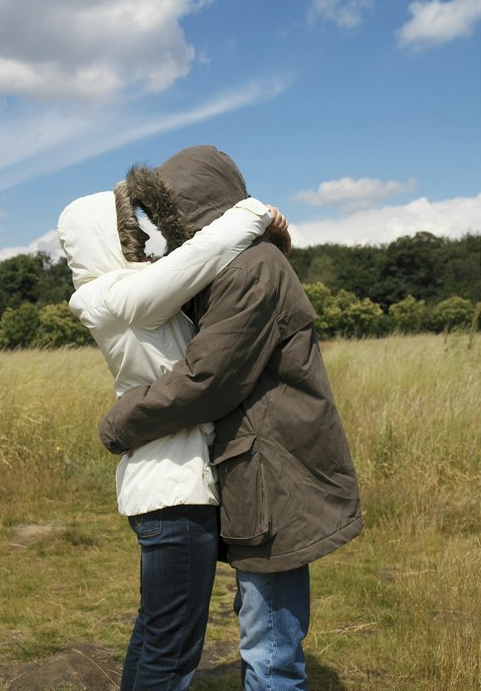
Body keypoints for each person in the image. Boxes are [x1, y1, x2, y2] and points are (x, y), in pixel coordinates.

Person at [99, 145, 364, 691]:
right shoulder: (236, 265)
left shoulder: (250, 267)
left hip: (276, 473)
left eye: (170, 219)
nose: (168, 237)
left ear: (193, 212)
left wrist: (119, 424)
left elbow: (206, 380)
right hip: (262, 470)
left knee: (270, 652)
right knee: (264, 632)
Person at [57, 184, 289, 691]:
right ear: (105, 238)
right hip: (173, 493)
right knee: (174, 648)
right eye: (130, 231)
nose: (143, 237)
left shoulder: (130, 296)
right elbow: (197, 258)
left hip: (168, 489)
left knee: (156, 634)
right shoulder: (108, 298)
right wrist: (255, 212)